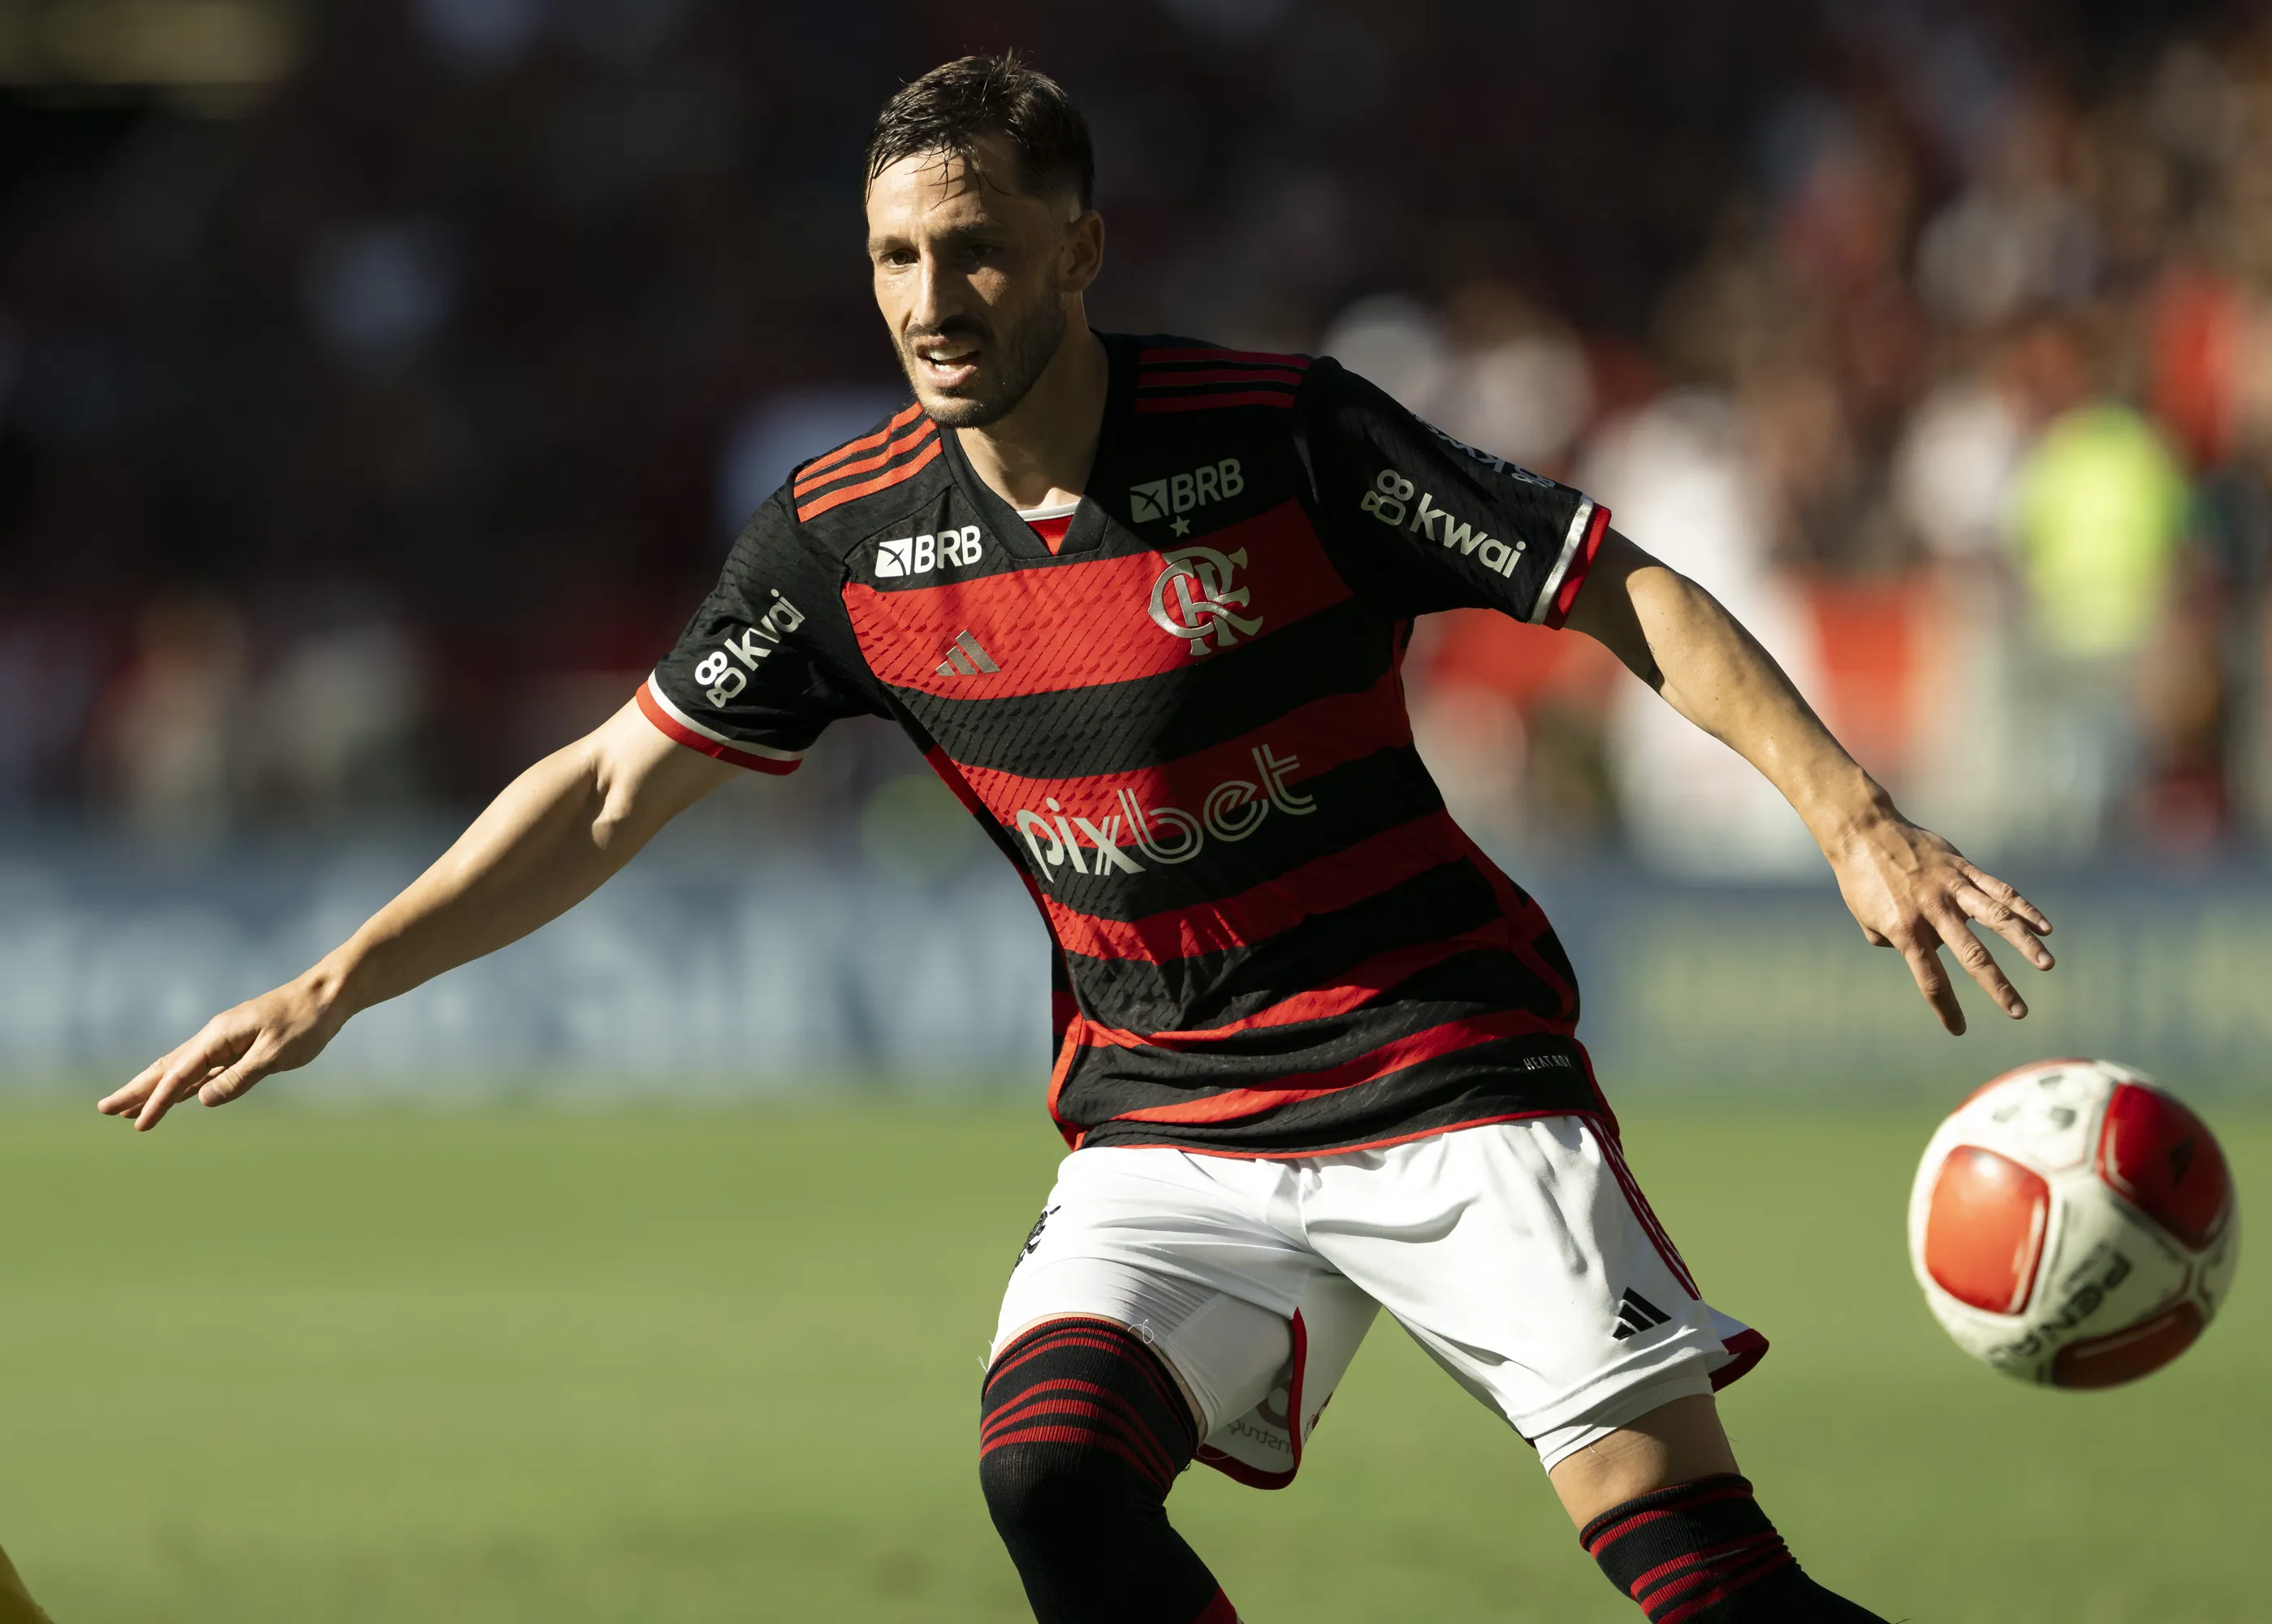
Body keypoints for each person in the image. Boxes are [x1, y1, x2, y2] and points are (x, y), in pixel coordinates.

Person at [105, 54, 2054, 1623]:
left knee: (1697, 1573)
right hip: (1168, 1121)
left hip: (1443, 1069)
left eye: (972, 252)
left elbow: (1609, 585)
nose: (929, 304)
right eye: (891, 260)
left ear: (1080, 248)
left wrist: (1852, 817)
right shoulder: (845, 540)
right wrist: (343, 978)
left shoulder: (1282, 434)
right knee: (1047, 1473)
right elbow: (613, 784)